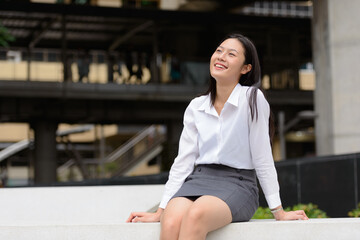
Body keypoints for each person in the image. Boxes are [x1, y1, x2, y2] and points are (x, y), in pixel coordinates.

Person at [126, 33, 309, 239]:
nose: (221, 56)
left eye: (231, 54)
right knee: (169, 220)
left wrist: (278, 211)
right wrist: (160, 210)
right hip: (199, 178)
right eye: (219, 51)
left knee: (195, 215)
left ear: (245, 68)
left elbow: (263, 157)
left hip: (238, 183)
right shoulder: (197, 106)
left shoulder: (252, 99)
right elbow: (183, 161)